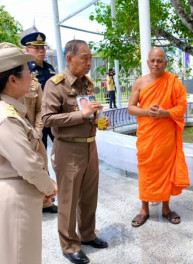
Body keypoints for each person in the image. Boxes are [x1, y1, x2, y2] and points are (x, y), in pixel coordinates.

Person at [42, 40, 109, 264]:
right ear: (69, 58)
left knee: (90, 196)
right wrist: (81, 116)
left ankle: (87, 234)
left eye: (90, 58)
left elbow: (87, 109)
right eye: (85, 58)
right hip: (68, 148)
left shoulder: (87, 83)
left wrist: (98, 119)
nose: (89, 62)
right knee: (69, 201)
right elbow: (47, 119)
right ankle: (69, 245)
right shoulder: (55, 84)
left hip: (90, 145)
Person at [0, 43, 57, 264]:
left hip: (22, 191)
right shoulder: (7, 117)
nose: (32, 77)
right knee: (20, 256)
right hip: (16, 195)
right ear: (12, 80)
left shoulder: (12, 109)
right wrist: (48, 186)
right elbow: (27, 165)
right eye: (27, 72)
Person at [128, 47, 190, 227]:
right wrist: (147, 112)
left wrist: (164, 113)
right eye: (152, 60)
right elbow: (131, 108)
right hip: (147, 136)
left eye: (160, 61)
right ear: (147, 62)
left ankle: (166, 208)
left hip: (165, 136)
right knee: (146, 170)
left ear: (165, 62)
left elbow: (182, 106)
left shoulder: (173, 82)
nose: (156, 64)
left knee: (165, 170)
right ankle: (144, 209)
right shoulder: (139, 83)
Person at [21, 31, 56, 149]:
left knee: (61, 147)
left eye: (43, 47)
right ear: (27, 49)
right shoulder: (24, 70)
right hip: (36, 117)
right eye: (36, 48)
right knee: (39, 150)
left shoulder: (50, 68)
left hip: (53, 114)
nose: (41, 51)